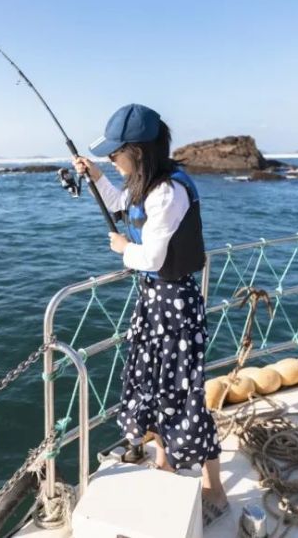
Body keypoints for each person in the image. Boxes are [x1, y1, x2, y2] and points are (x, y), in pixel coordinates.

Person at [72, 103, 229, 527]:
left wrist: (125, 250)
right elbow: (124, 204)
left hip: (174, 306)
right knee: (154, 387)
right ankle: (165, 462)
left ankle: (215, 486)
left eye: (114, 153)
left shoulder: (168, 191)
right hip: (154, 304)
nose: (111, 159)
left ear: (137, 151)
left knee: (183, 394)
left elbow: (153, 255)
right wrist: (95, 176)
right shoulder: (147, 185)